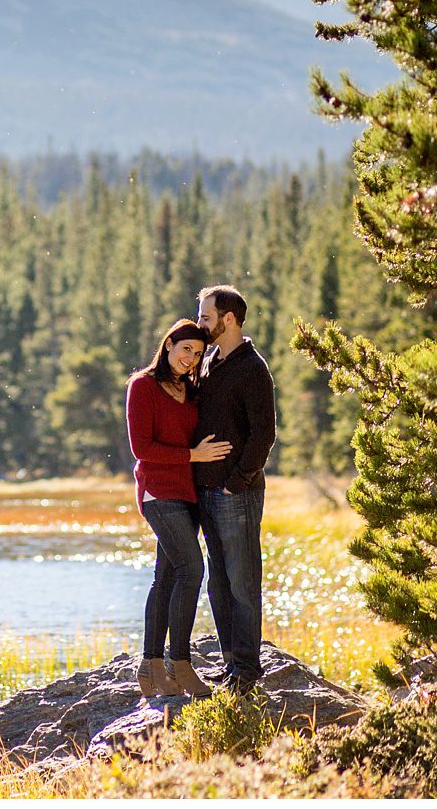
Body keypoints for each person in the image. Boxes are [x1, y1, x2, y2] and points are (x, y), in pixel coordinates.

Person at [128, 318, 232, 699]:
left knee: (166, 577)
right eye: (186, 349)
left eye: (198, 354)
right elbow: (142, 449)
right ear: (169, 344)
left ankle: (150, 666)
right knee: (193, 569)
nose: (191, 358)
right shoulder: (143, 386)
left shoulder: (190, 390)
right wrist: (193, 455)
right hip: (158, 492)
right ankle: (180, 662)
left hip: (187, 494)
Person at [191, 284, 277, 694]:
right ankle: (230, 665)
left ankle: (246, 670)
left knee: (242, 582)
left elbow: (265, 433)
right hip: (206, 492)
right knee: (219, 584)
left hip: (235, 494)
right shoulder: (209, 361)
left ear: (229, 319)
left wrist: (236, 482)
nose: (200, 324)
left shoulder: (252, 368)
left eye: (206, 317)